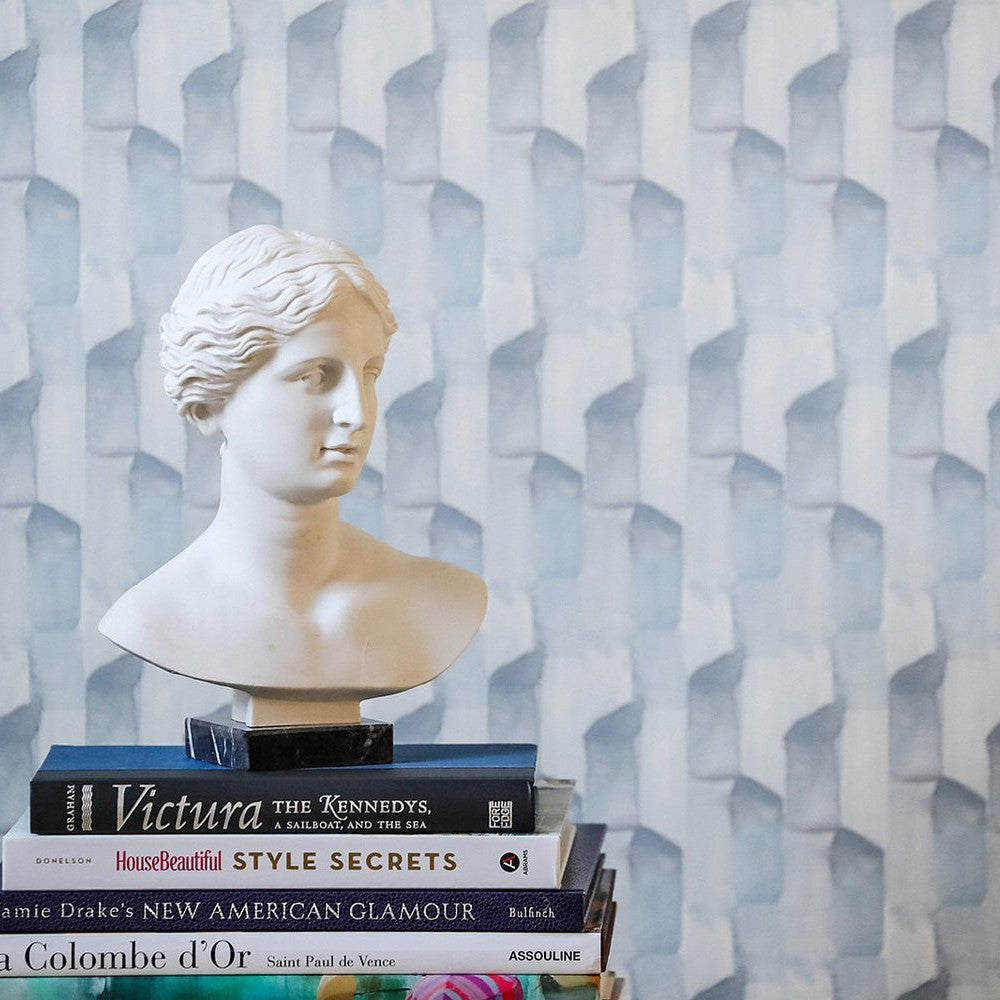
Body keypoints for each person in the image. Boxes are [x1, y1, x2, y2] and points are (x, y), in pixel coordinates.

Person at [99, 226, 487, 728]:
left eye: (369, 374)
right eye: (315, 376)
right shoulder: (154, 616)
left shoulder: (439, 600)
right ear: (208, 402)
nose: (356, 414)